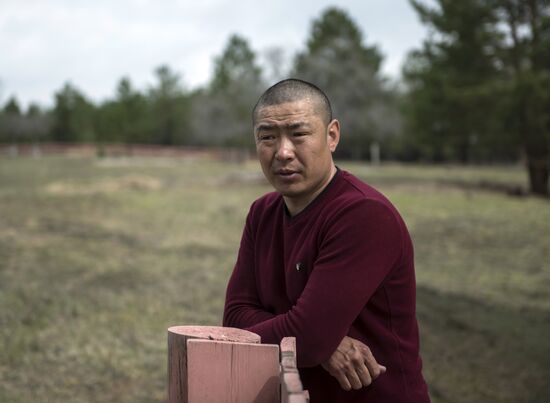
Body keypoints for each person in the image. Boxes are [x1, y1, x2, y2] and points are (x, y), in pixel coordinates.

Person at [223, 78, 430, 402]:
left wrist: (314, 338)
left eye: (299, 134)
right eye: (267, 137)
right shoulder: (262, 213)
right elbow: (234, 318)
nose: (283, 152)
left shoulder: (362, 215)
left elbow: (308, 336)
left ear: (332, 135)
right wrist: (321, 342)